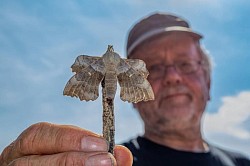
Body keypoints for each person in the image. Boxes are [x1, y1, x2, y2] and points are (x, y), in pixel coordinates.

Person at [0, 12, 249, 166]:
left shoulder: (243, 162)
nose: (173, 77)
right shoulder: (113, 161)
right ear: (131, 97)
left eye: (185, 64)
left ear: (208, 82)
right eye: (154, 68)